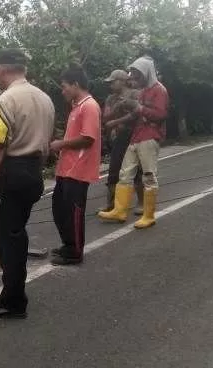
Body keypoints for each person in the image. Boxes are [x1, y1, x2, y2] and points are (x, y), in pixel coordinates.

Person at [0, 49, 55, 319]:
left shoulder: (7, 99)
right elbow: (46, 143)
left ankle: (13, 300)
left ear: (1, 69)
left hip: (12, 173)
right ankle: (14, 294)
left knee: (8, 239)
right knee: (17, 233)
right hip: (33, 172)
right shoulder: (44, 98)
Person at [98, 56, 169, 228]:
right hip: (137, 135)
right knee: (125, 173)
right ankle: (120, 210)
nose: (134, 78)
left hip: (150, 135)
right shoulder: (143, 90)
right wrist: (130, 107)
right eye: (133, 75)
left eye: (137, 74)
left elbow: (161, 115)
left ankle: (148, 215)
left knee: (148, 175)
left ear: (146, 72)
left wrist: (138, 108)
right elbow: (136, 114)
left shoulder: (159, 90)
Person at [49, 64, 102, 265]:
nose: (63, 91)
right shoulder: (76, 106)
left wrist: (60, 144)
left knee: (73, 212)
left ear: (76, 84)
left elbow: (88, 138)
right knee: (59, 208)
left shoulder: (89, 106)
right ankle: (68, 244)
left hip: (79, 168)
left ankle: (75, 251)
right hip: (67, 167)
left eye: (64, 87)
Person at [99, 69, 144, 214]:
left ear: (122, 81)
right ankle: (111, 203)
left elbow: (138, 112)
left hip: (134, 136)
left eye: (113, 82)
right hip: (119, 137)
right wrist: (117, 109)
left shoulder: (136, 94)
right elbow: (106, 118)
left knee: (137, 170)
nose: (110, 85)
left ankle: (142, 202)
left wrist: (117, 119)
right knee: (114, 170)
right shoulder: (111, 99)